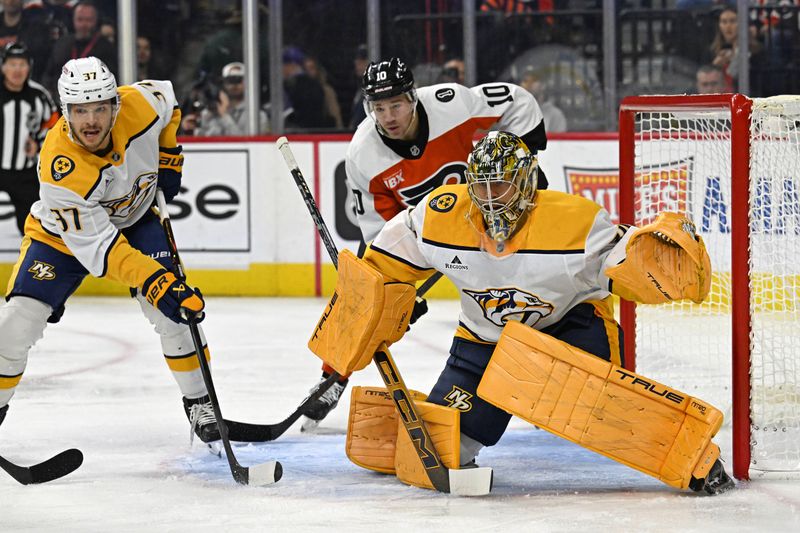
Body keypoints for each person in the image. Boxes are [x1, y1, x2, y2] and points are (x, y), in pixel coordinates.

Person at [312, 130, 734, 495]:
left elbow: (628, 261)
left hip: (569, 330)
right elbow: (381, 266)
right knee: (442, 451)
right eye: (481, 188)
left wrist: (659, 257)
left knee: (598, 412)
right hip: (482, 341)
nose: (490, 200)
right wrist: (371, 310)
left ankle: (697, 459)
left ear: (527, 183)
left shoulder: (574, 223)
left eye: (501, 186)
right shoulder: (439, 216)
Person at [300, 56, 550, 428]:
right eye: (379, 108)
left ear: (413, 97)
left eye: (396, 105)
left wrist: (527, 158)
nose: (389, 116)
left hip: (486, 218)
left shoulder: (452, 104)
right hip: (425, 234)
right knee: (364, 289)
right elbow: (379, 232)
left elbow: (517, 100)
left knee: (535, 290)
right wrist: (395, 294)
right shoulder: (363, 154)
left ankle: (546, 383)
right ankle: (332, 377)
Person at [0, 56, 220, 445]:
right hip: (60, 239)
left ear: (115, 104)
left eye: (100, 108)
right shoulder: (60, 168)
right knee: (18, 321)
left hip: (135, 220)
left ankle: (201, 402)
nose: (91, 121)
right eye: (80, 111)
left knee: (174, 314)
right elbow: (104, 250)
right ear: (64, 111)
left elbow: (169, 100)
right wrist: (156, 281)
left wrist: (169, 154)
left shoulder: (141, 104)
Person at [0, 42, 58, 235]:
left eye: (22, 64)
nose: (17, 70)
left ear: (29, 67)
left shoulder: (39, 96)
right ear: (3, 67)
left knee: (33, 226)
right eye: (12, 64)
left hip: (25, 173)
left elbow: (55, 127)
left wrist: (39, 143)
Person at [44, 1, 117, 102]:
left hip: (94, 102)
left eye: (88, 20)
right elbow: (48, 76)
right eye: (80, 19)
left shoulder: (106, 48)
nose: (83, 25)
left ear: (96, 21)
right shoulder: (61, 44)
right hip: (61, 103)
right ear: (73, 20)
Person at [195, 61, 269, 136]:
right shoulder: (211, 111)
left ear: (248, 83)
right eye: (230, 80)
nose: (234, 85)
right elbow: (203, 139)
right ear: (223, 83)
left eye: (238, 80)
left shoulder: (258, 115)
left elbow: (246, 142)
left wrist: (224, 116)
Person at [519, 68, 567, 132]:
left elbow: (560, 137)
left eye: (533, 80)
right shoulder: (514, 112)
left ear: (543, 85)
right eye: (525, 81)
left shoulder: (555, 115)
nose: (528, 84)